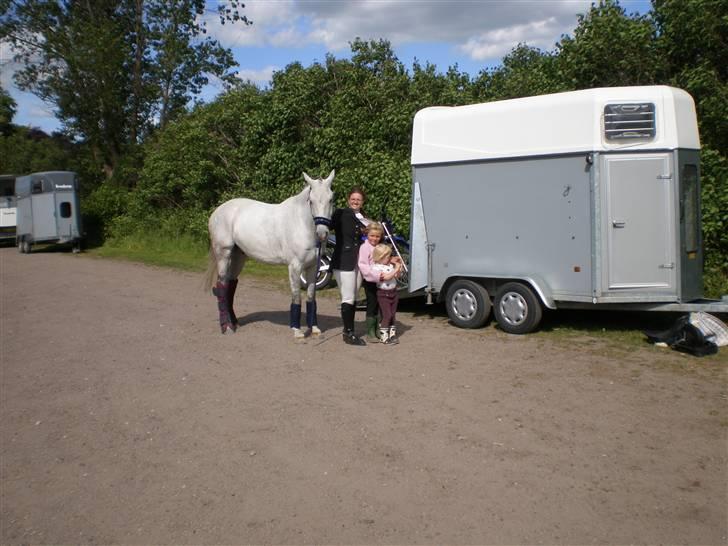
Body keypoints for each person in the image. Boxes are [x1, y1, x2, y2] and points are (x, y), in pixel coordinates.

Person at [331, 187, 369, 345]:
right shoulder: (340, 213)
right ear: (348, 200)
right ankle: (348, 333)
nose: (355, 201)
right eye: (353, 199)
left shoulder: (364, 217)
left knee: (353, 297)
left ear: (362, 202)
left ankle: (348, 330)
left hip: (358, 262)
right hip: (343, 260)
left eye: (358, 199)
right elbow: (327, 226)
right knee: (348, 297)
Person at [358, 222, 385, 342]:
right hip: (370, 281)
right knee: (372, 304)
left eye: (377, 236)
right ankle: (370, 332)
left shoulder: (381, 247)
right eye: (372, 236)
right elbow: (363, 265)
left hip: (382, 281)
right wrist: (374, 276)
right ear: (367, 235)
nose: (374, 238)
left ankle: (377, 329)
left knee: (380, 304)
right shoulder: (364, 247)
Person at [371, 243, 403, 344]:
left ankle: (392, 335)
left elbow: (396, 276)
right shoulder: (376, 268)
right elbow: (386, 277)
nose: (390, 258)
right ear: (380, 257)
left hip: (393, 292)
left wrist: (399, 267)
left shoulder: (389, 265)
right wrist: (396, 269)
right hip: (383, 294)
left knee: (392, 315)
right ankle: (384, 336)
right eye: (387, 256)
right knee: (387, 314)